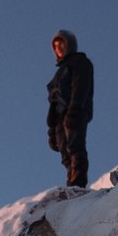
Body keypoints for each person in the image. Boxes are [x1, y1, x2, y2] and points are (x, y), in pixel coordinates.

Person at [46, 29, 94, 188]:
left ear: (69, 45)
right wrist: (52, 129)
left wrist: (75, 108)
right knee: (65, 154)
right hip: (60, 116)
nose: (58, 47)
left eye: (61, 44)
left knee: (75, 147)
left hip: (74, 111)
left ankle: (78, 184)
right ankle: (71, 184)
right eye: (55, 45)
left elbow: (80, 86)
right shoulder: (58, 74)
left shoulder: (80, 62)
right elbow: (53, 100)